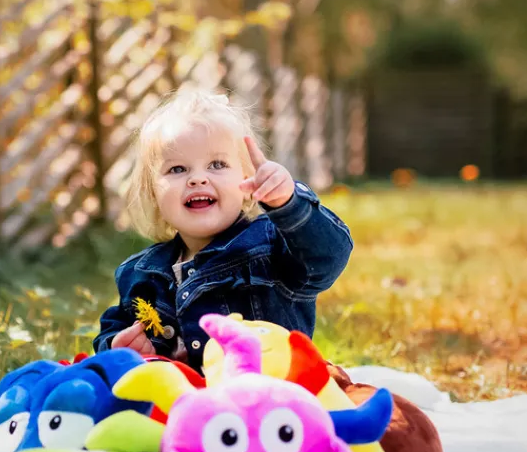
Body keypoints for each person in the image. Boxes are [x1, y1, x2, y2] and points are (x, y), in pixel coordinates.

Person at [92, 89, 354, 374]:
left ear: (247, 181)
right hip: (185, 398)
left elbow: (328, 256)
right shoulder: (141, 273)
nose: (197, 179)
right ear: (153, 192)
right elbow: (113, 330)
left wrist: (290, 203)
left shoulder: (272, 246)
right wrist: (118, 347)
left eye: (217, 165)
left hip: (266, 394)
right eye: (177, 169)